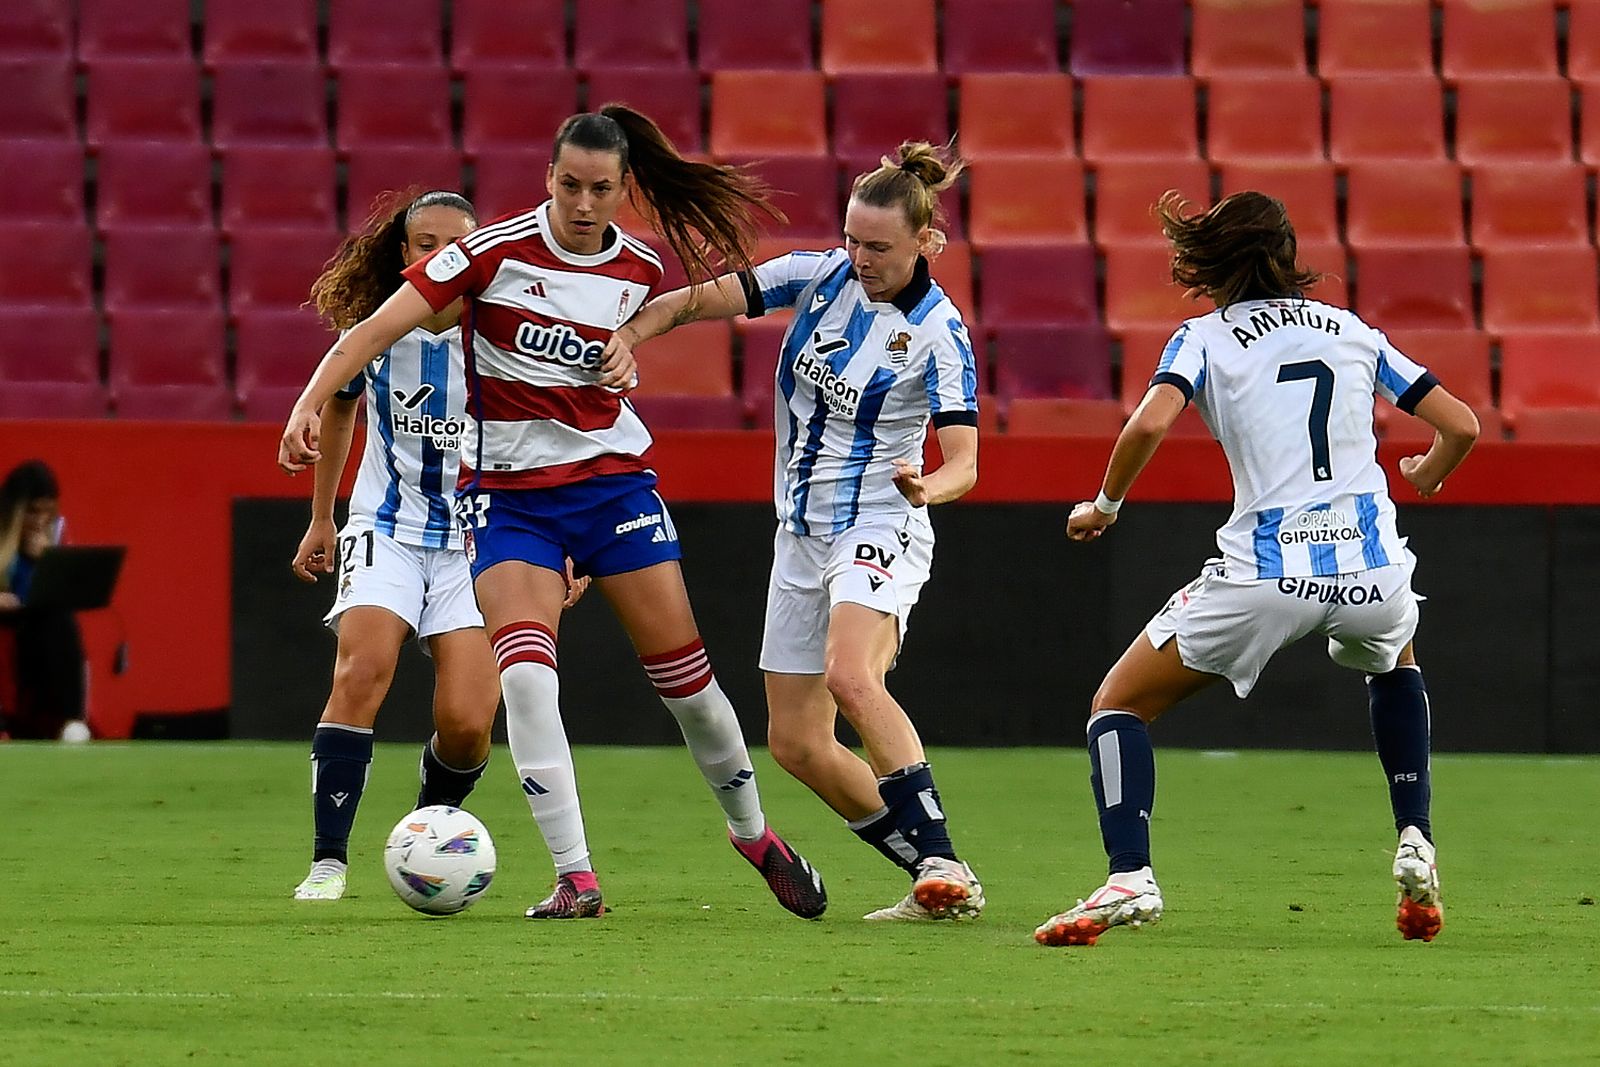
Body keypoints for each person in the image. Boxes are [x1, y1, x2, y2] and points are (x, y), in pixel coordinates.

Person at [279, 105, 827, 921]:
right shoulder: (489, 253)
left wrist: (628, 350)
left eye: (600, 189)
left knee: (689, 685)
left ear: (623, 188)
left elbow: (648, 324)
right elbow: (370, 330)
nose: (582, 202)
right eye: (569, 184)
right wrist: (307, 401)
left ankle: (752, 833)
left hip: (612, 490)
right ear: (549, 178)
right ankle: (577, 877)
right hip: (510, 504)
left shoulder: (638, 267)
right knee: (528, 681)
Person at [1033, 191, 1480, 947]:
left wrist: (1105, 503)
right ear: (1287, 256)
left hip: (1269, 574)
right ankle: (1415, 835)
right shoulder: (1353, 330)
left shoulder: (1203, 337)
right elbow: (1461, 424)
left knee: (1118, 705)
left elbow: (1148, 421)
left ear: (1215, 261)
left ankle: (1130, 875)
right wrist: (1429, 471)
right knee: (1396, 659)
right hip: (1372, 569)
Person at [600, 142, 986, 922]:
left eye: (878, 246)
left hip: (880, 519)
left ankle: (941, 854)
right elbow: (694, 301)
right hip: (799, 533)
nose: (860, 258)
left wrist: (927, 487)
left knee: (852, 676)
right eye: (852, 239)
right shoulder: (818, 276)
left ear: (925, 243)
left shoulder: (940, 333)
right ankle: (937, 877)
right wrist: (630, 336)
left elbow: (966, 463)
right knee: (797, 743)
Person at [286, 189, 508, 902]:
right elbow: (341, 408)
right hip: (386, 527)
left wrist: (562, 542)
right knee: (360, 673)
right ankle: (328, 861)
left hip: (477, 539)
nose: (441, 256)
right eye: (425, 243)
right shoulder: (379, 329)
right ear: (405, 253)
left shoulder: (501, 335)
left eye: (456, 244)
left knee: (467, 724)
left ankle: (425, 834)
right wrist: (322, 517)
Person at [0, 460, 86, 741]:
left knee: (60, 619)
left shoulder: (56, 532)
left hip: (34, 621)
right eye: (32, 512)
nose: (40, 521)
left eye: (47, 512)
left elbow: (65, 593)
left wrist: (47, 561)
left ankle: (72, 720)